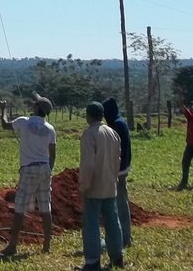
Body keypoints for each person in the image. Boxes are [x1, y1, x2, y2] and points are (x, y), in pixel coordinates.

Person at [0, 93, 56, 257]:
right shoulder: (50, 129)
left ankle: (12, 246)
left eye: (34, 103)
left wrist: (3, 109)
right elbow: (52, 155)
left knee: (19, 209)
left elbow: (5, 125)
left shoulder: (23, 122)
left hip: (28, 169)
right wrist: (48, 170)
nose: (32, 104)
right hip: (44, 169)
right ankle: (46, 246)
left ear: (37, 108)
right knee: (46, 208)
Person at [78, 101, 124, 271]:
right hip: (110, 184)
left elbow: (87, 165)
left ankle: (92, 262)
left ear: (88, 116)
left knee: (91, 225)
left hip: (94, 187)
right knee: (113, 221)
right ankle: (117, 257)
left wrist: (83, 186)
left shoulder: (90, 134)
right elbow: (117, 160)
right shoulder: (113, 133)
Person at [103, 97, 133, 248]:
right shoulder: (120, 122)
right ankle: (123, 237)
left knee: (119, 205)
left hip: (118, 170)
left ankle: (123, 238)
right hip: (122, 168)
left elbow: (115, 151)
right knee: (120, 203)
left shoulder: (116, 125)